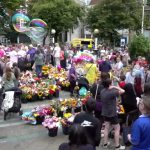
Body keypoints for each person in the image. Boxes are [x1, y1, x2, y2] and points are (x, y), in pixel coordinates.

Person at [101, 78, 125, 150]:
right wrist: (115, 87)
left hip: (105, 112)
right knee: (117, 128)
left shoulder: (102, 91)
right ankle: (117, 146)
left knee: (106, 128)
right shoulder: (112, 92)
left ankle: (105, 143)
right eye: (111, 83)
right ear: (109, 84)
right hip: (112, 113)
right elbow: (123, 91)